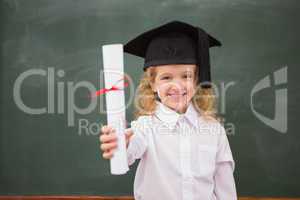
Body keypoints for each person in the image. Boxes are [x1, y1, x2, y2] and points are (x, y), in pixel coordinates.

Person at [99, 20, 237, 200]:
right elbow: (130, 149)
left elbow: (225, 189)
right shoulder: (145, 128)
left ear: (197, 81)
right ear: (153, 84)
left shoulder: (214, 131)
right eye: (166, 77)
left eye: (186, 76)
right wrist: (119, 144)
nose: (176, 85)